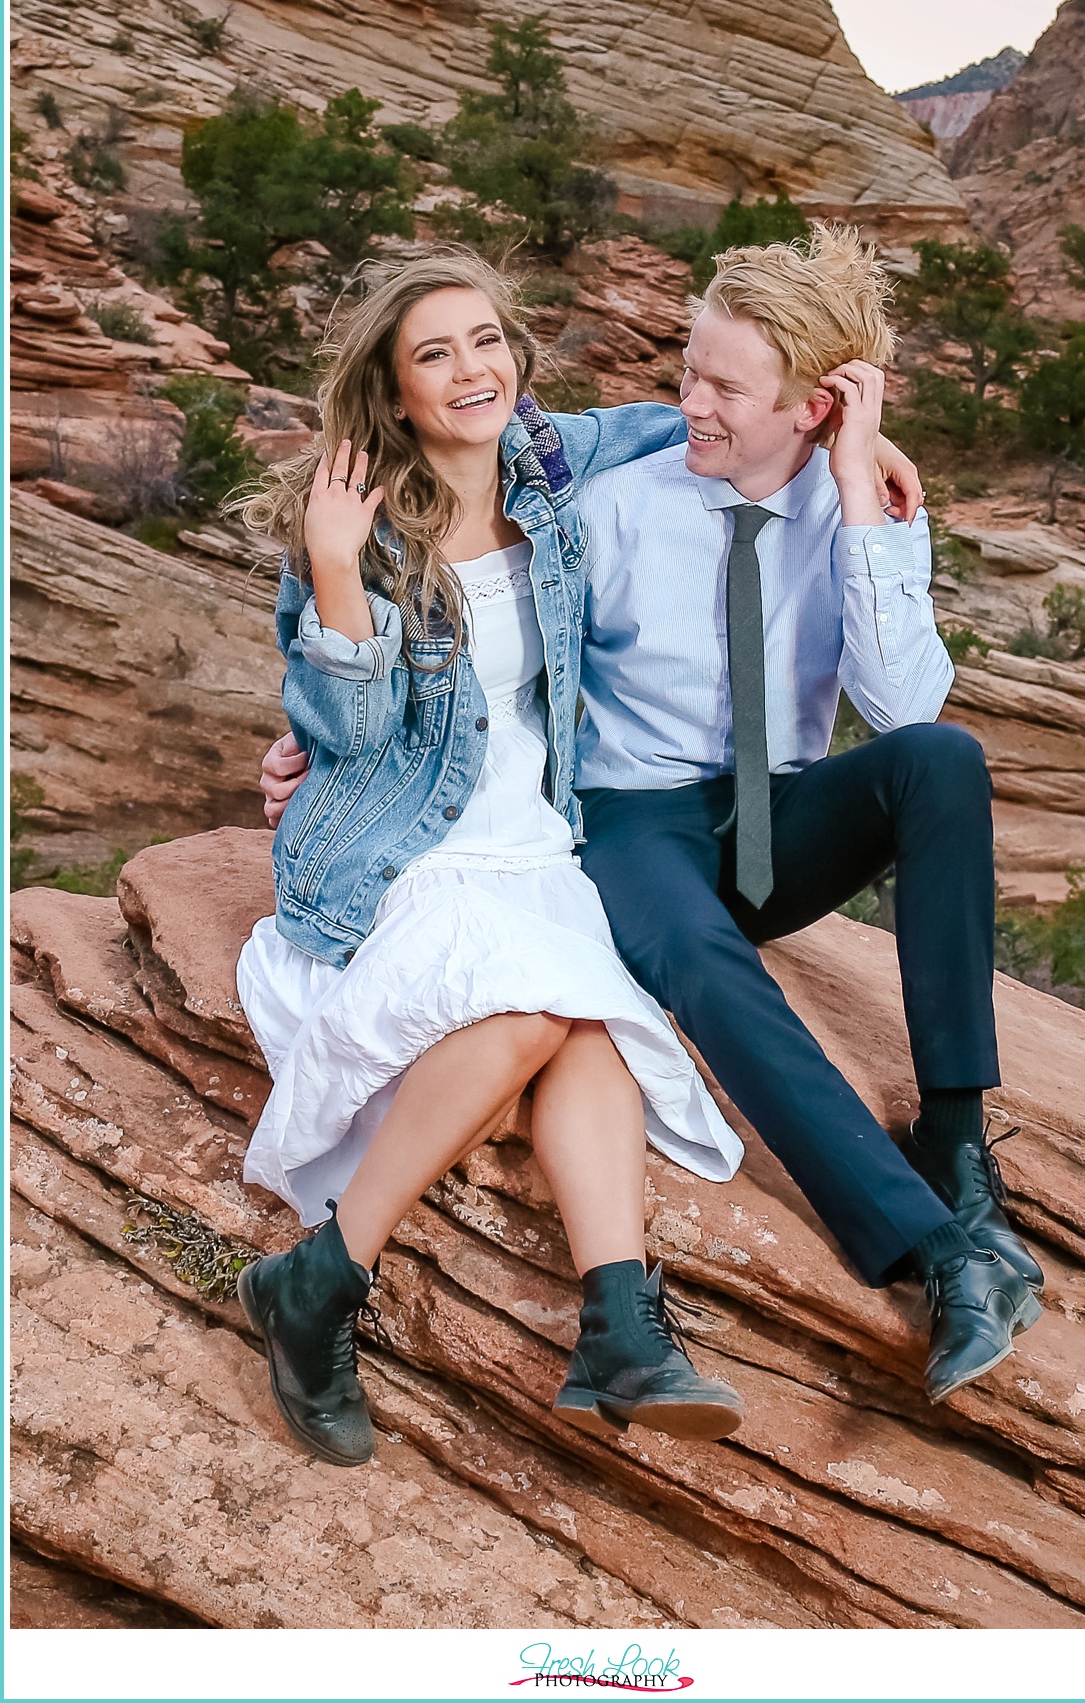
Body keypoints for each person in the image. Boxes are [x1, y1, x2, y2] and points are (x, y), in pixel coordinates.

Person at [261, 226, 1043, 1410]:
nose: (687, 404)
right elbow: (474, 646)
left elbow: (901, 702)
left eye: (723, 386)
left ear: (815, 407)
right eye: (686, 374)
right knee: (685, 951)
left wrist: (857, 491)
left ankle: (955, 1139)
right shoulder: (615, 500)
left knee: (941, 760)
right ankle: (935, 1251)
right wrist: (314, 753)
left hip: (779, 813)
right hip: (635, 823)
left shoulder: (862, 502)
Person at [234, 247, 752, 1468]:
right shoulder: (354, 519)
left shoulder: (558, 461)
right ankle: (322, 1283)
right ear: (395, 391)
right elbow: (349, 735)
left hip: (536, 837)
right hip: (400, 851)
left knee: (594, 1022)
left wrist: (856, 443)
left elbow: (717, 411)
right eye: (434, 355)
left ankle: (619, 1329)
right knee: (539, 1012)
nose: (471, 370)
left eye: (485, 341)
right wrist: (327, 567)